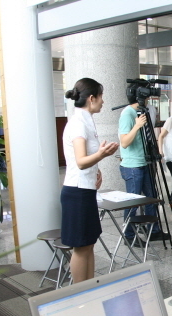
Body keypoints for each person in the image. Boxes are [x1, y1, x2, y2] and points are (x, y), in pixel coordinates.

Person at [61, 78, 119, 283]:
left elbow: (87, 161)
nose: (103, 101)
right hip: (76, 193)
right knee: (80, 246)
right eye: (101, 97)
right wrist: (101, 155)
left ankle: (90, 289)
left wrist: (98, 167)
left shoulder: (85, 120)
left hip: (84, 190)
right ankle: (80, 293)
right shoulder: (78, 123)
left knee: (89, 243)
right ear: (92, 98)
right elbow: (81, 162)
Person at [118, 80, 170, 242]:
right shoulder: (127, 114)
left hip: (146, 161)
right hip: (133, 166)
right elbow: (125, 142)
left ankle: (153, 230)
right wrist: (137, 126)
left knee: (151, 197)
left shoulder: (145, 110)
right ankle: (129, 235)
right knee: (133, 203)